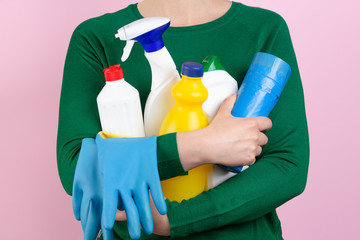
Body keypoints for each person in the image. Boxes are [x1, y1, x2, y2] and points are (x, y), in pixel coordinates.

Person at [57, 0, 309, 239]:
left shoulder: (265, 29)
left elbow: (288, 165)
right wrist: (203, 145)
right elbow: (77, 169)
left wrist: (175, 219)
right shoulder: (96, 37)